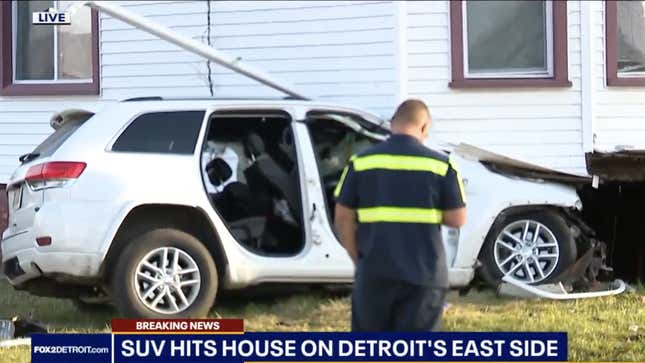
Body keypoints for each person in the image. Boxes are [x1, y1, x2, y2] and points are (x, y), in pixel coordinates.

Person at [333, 99, 467, 332]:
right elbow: (458, 219)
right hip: (424, 276)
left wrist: (359, 259)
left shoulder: (361, 163)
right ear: (424, 127)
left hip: (374, 273)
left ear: (392, 124)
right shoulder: (442, 165)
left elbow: (342, 218)